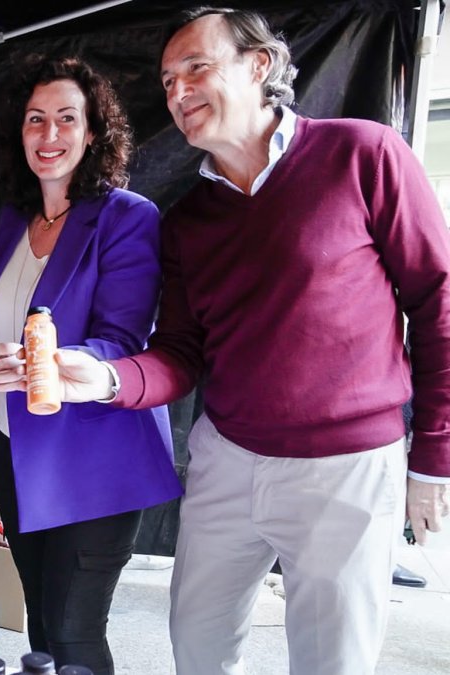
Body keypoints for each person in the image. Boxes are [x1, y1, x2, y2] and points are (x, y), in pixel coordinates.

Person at [50, 8, 450, 674]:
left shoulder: (363, 153)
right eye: (168, 80)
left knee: (332, 662)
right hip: (227, 458)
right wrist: (108, 377)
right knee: (198, 648)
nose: (177, 92)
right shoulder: (187, 221)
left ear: (259, 65)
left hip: (344, 467)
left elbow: (438, 299)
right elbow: (180, 353)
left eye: (196, 68)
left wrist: (433, 455)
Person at [0, 56, 182, 675]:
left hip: (95, 461)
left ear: (93, 132)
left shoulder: (126, 216)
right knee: (40, 621)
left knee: (74, 632)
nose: (49, 134)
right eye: (35, 119)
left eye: (67, 118)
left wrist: (45, 362)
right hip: (19, 450)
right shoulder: (14, 220)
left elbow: (123, 338)